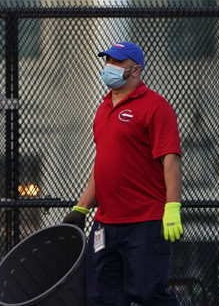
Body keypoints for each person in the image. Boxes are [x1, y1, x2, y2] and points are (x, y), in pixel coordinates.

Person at [62, 41, 183, 306]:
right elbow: (104, 164)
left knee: (148, 292)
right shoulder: (103, 108)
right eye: (108, 61)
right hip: (106, 224)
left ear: (136, 69)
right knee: (101, 296)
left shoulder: (155, 106)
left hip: (145, 222)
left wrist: (172, 207)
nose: (109, 67)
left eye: (117, 62)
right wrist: (81, 209)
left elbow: (170, 160)